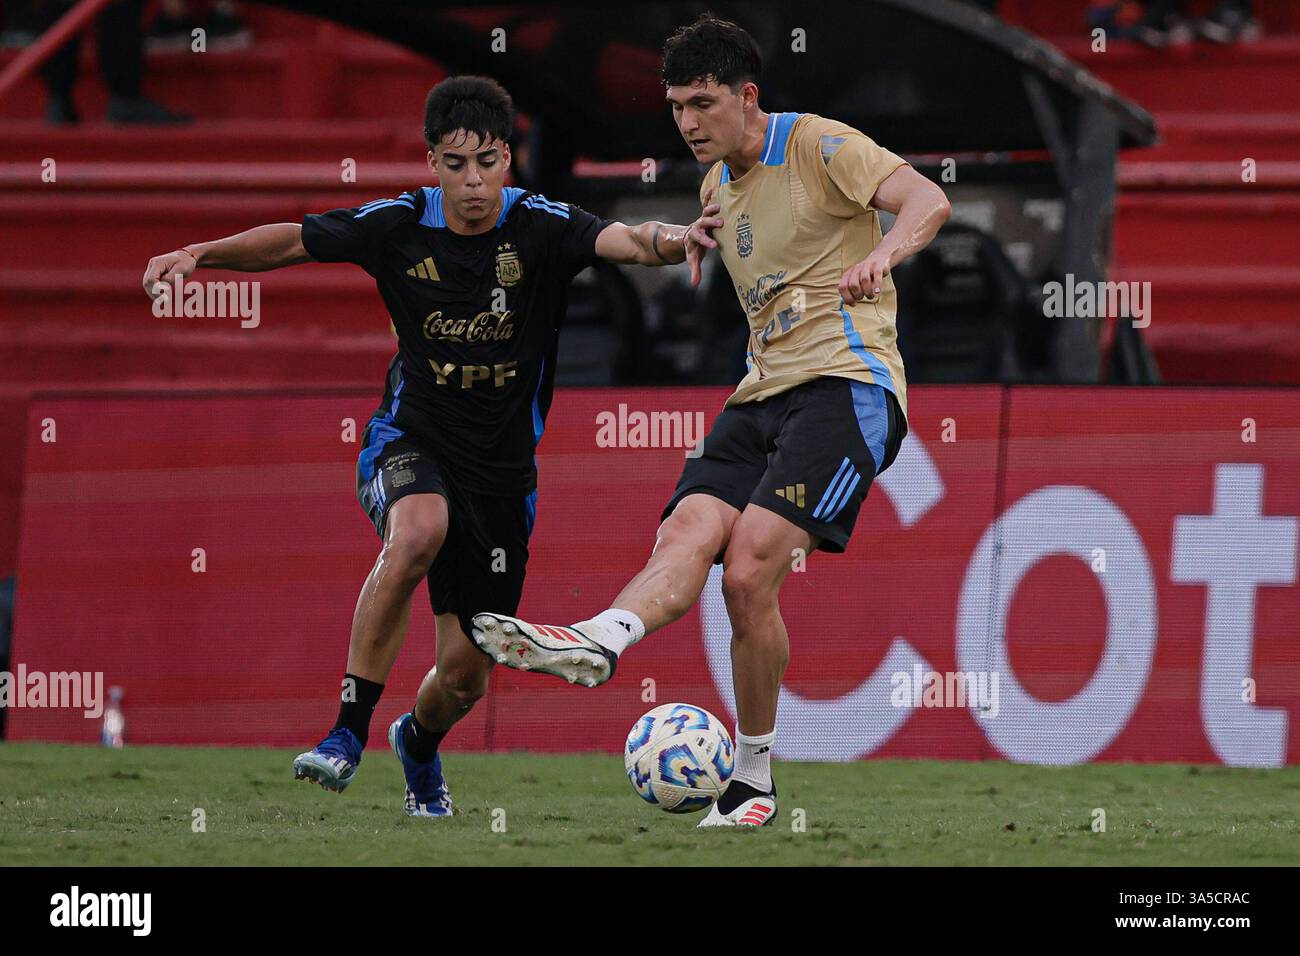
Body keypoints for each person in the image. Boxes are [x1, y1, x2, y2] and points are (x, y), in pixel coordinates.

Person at [141, 75, 710, 817]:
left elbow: (628, 239)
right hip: (409, 441)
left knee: (464, 677)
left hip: (502, 479)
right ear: (431, 161)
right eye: (454, 163)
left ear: (510, 157)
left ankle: (416, 741)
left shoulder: (543, 225)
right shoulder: (399, 224)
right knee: (418, 531)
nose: (472, 181)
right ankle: (347, 733)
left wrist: (677, 238)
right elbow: (295, 240)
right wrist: (201, 253)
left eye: (487, 162)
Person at [471, 16, 951, 827]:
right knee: (687, 530)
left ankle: (754, 779)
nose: (689, 122)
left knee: (748, 568)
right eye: (676, 108)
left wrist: (883, 255)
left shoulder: (819, 145)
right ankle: (603, 638)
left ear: (747, 96)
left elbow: (928, 199)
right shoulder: (713, 190)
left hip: (848, 386)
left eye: (703, 102)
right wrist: (682, 240)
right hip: (759, 394)